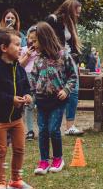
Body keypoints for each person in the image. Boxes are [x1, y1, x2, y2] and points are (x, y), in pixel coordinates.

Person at [0, 29, 34, 189]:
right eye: (17, 45)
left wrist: (27, 95)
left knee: (19, 149)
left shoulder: (19, 69)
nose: (21, 48)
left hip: (17, 119)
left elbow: (26, 87)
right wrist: (10, 99)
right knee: (0, 151)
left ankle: (16, 180)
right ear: (4, 48)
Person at [29, 22, 78, 175]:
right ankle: (44, 161)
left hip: (58, 100)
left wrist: (66, 90)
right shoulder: (37, 59)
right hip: (41, 100)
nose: (32, 44)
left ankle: (58, 159)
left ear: (44, 38)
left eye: (35, 41)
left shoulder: (63, 55)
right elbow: (33, 78)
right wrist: (32, 96)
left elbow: (73, 76)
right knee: (43, 130)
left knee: (53, 130)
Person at [46, 0, 83, 136]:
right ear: (70, 10)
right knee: (57, 91)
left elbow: (73, 46)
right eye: (77, 12)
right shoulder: (53, 20)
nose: (78, 15)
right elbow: (46, 39)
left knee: (74, 91)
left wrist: (76, 62)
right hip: (57, 62)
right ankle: (52, 124)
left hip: (70, 61)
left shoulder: (71, 24)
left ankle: (69, 126)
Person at [18, 26, 39, 141]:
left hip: (40, 78)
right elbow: (20, 66)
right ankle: (30, 130)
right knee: (29, 105)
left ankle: (43, 129)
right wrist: (28, 55)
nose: (33, 41)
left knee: (41, 104)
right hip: (28, 78)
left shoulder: (43, 51)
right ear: (27, 38)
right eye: (31, 38)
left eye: (36, 38)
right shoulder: (23, 50)